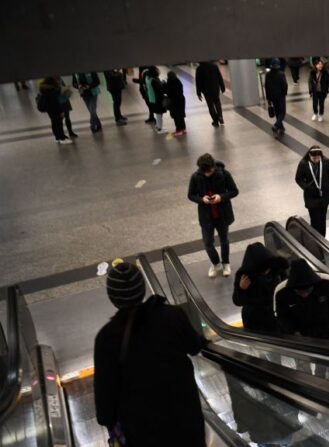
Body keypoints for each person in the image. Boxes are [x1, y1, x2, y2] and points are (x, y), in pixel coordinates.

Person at [94, 259, 206, 446]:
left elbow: (105, 406)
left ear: (112, 297)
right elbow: (195, 346)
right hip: (186, 424)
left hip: (143, 434)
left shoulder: (107, 338)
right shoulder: (173, 315)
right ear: (142, 289)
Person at [188, 153, 239, 278]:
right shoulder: (196, 177)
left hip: (222, 214)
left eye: (209, 171)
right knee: (207, 243)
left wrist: (221, 197)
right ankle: (216, 263)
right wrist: (201, 199)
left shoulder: (224, 174)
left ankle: (226, 262)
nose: (207, 174)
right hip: (206, 216)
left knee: (224, 240)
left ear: (213, 166)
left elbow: (234, 191)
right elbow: (190, 195)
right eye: (204, 172)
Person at [275, 259, 329, 339]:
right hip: (298, 338)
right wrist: (292, 332)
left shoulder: (327, 286)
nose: (305, 295)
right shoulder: (282, 294)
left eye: (308, 290)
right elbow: (282, 318)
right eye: (299, 292)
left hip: (323, 335)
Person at [233, 242, 288, 334]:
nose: (265, 272)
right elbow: (237, 301)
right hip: (254, 319)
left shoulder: (278, 269)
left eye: (267, 268)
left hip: (274, 315)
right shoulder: (244, 276)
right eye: (261, 270)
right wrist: (241, 289)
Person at [295, 146, 329, 236]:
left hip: (324, 196)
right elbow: (298, 179)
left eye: (318, 158)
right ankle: (315, 240)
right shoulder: (303, 164)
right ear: (309, 155)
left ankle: (323, 239)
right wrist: (306, 187)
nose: (316, 160)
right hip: (311, 198)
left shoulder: (326, 162)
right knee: (315, 221)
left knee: (322, 220)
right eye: (314, 158)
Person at [196, 61, 226, 127]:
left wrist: (198, 93)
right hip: (215, 88)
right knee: (217, 102)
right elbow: (219, 77)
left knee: (210, 105)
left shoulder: (199, 69)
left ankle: (215, 121)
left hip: (206, 90)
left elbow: (198, 82)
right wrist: (222, 87)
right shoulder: (214, 66)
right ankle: (220, 116)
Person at [264, 59, 288, 136]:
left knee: (277, 111)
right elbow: (285, 85)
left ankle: (281, 127)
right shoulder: (281, 74)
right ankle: (276, 125)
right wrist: (284, 93)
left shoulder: (267, 75)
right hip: (280, 96)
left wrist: (268, 98)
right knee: (282, 112)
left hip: (272, 96)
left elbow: (266, 87)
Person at [145, 67, 168, 134]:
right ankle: (160, 129)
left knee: (157, 113)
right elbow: (159, 89)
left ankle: (158, 126)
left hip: (151, 98)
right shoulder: (154, 80)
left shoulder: (148, 78)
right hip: (157, 99)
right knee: (159, 114)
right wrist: (163, 84)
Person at [166, 71, 187, 136]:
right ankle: (183, 129)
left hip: (174, 101)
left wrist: (164, 85)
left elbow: (169, 92)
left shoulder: (170, 83)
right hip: (181, 100)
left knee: (176, 116)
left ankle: (179, 130)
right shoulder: (178, 81)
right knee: (181, 115)